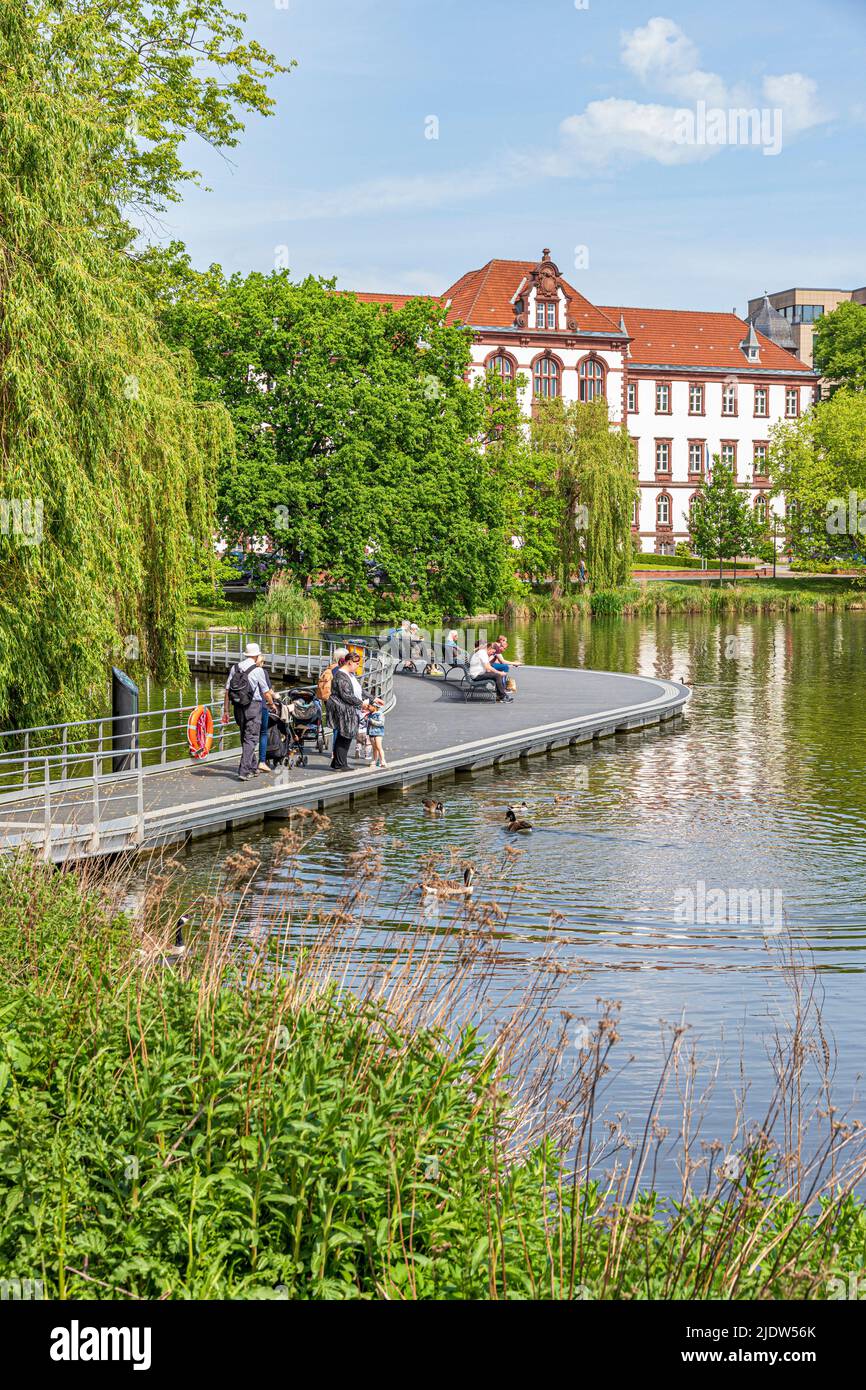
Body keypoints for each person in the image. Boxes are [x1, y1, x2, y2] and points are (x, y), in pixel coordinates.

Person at [222, 642, 277, 781]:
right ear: (257, 655)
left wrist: (226, 710)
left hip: (238, 707)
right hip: (254, 707)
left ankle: (252, 767)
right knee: (251, 738)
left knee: (244, 737)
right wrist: (272, 705)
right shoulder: (258, 670)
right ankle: (244, 770)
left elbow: (227, 690)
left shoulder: (235, 668)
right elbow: (266, 692)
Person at [326, 650, 364, 770]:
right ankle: (341, 764)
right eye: (356, 663)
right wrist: (362, 704)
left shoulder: (350, 675)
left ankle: (337, 762)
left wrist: (373, 699)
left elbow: (360, 691)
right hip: (341, 709)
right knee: (345, 735)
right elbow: (346, 695)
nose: (358, 666)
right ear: (349, 662)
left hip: (347, 709)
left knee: (344, 735)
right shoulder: (341, 675)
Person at [367, 697, 387, 768]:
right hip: (371, 732)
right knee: (374, 747)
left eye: (369, 706)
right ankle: (375, 760)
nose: (368, 708)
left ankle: (383, 760)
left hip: (378, 732)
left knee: (379, 746)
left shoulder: (379, 714)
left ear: (374, 707)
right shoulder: (370, 714)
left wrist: (371, 721)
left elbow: (381, 723)